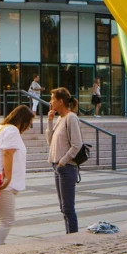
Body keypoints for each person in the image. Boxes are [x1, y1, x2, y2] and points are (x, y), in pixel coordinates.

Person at [0, 105, 34, 247]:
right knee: (7, 220)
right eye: (29, 124)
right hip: (2, 181)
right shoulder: (12, 130)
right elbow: (7, 153)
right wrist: (8, 178)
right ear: (22, 120)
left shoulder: (0, 129)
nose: (28, 128)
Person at [47, 87, 84, 234]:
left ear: (60, 102)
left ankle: (73, 239)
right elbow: (51, 142)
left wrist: (63, 161)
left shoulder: (71, 117)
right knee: (63, 208)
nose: (50, 101)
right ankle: (69, 237)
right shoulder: (60, 119)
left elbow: (77, 144)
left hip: (66, 167)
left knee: (68, 208)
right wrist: (49, 122)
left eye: (53, 99)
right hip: (57, 166)